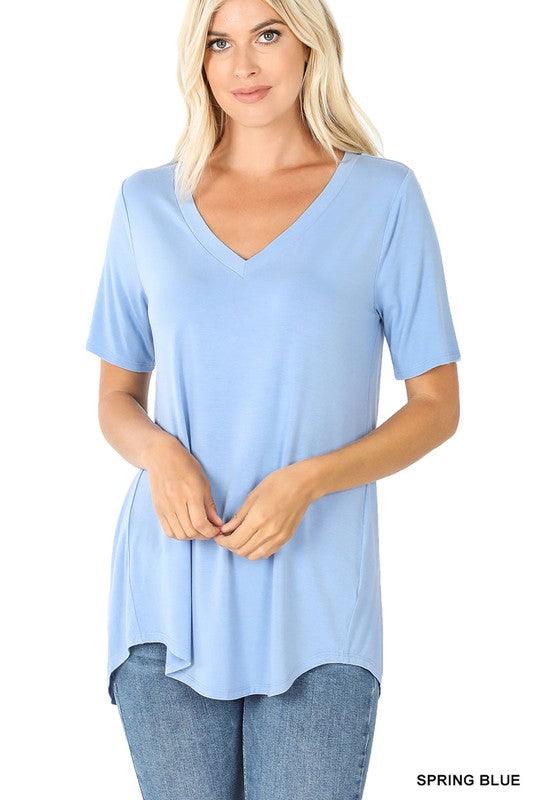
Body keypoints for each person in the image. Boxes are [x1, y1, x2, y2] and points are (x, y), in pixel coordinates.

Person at [85, 0, 461, 797]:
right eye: (219, 43)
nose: (243, 65)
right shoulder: (145, 202)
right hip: (168, 597)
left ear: (309, 45)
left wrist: (306, 482)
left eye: (266, 35)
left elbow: (436, 406)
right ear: (199, 61)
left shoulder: (382, 197)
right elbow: (116, 395)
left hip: (315, 605)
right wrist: (161, 456)